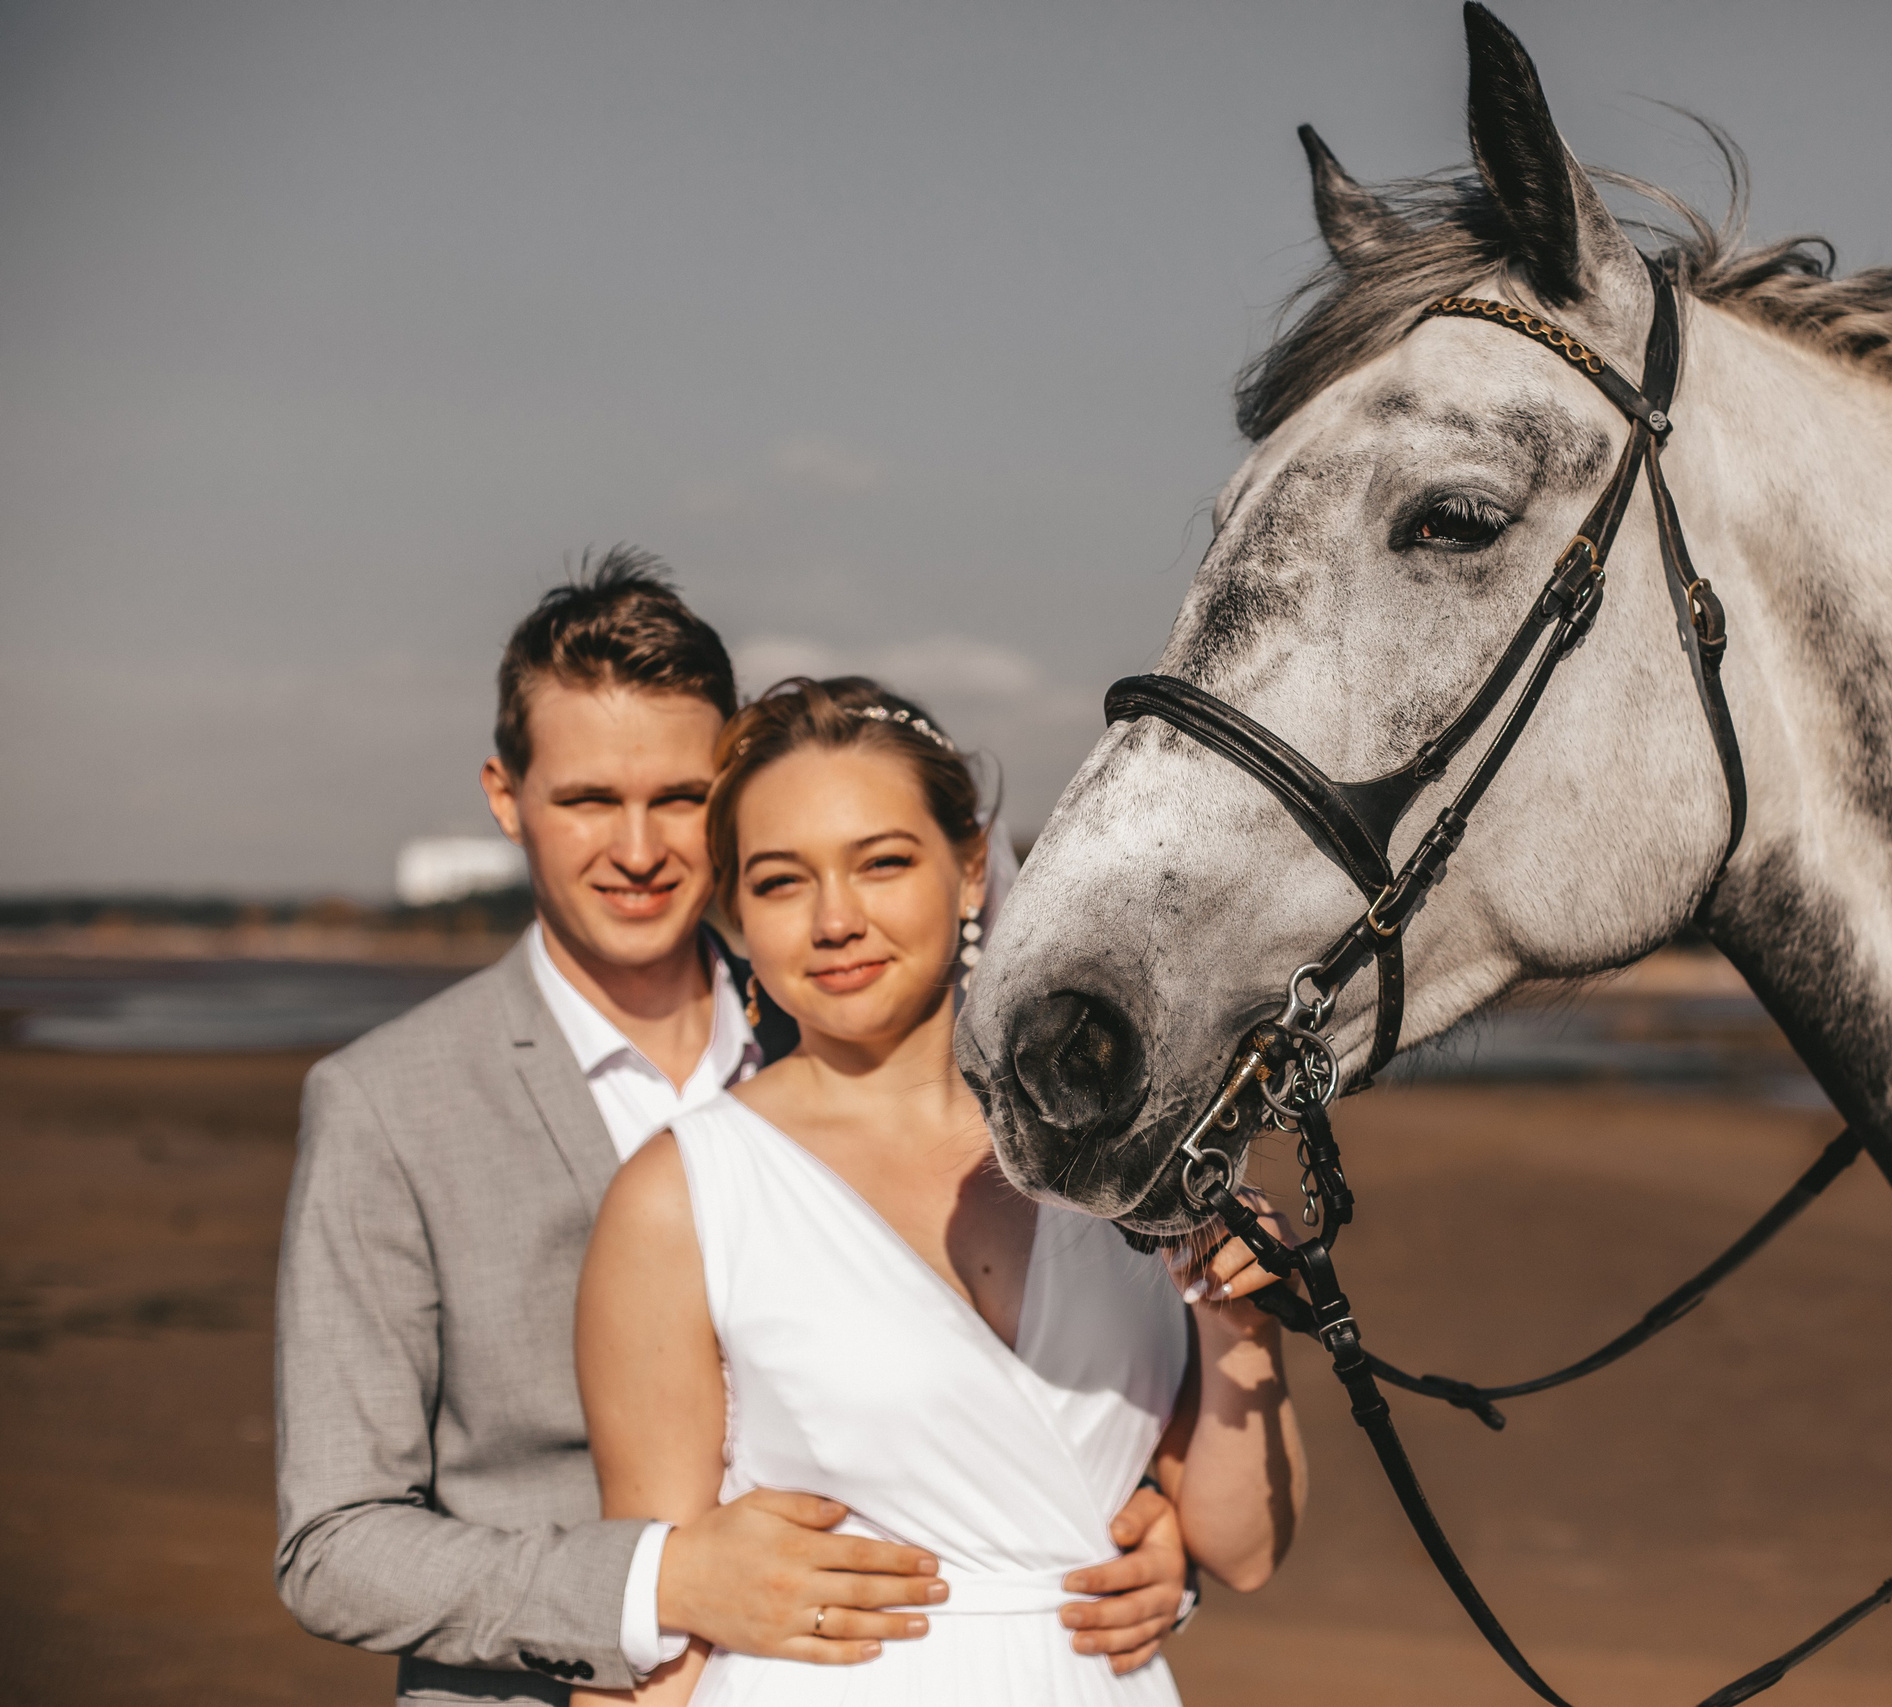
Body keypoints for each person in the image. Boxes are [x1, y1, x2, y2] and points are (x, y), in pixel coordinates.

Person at [274, 553, 1192, 1706]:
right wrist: (653, 1582)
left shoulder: (854, 1021)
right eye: (587, 801)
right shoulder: (387, 1104)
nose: (642, 849)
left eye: (675, 800)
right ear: (505, 799)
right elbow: (331, 1545)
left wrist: (1148, 1549)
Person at [572, 675, 1305, 1705]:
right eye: (781, 881)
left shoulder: (1121, 1154)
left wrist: (1244, 1331)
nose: (837, 920)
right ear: (733, 913)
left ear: (968, 871)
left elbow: (1242, 1550)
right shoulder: (680, 1194)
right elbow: (663, 1620)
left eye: (881, 863)